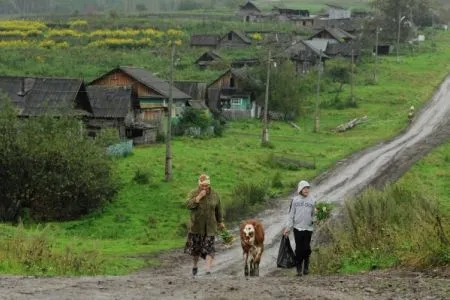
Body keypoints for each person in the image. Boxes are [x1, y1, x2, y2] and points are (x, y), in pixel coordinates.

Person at [185, 174, 224, 276]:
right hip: (196, 226)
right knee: (196, 250)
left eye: (206, 185)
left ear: (209, 184)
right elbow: (188, 205)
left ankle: (207, 269)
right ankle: (195, 265)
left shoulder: (215, 195)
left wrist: (220, 222)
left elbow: (218, 209)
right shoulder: (194, 193)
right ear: (199, 185)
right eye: (202, 186)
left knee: (209, 248)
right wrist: (199, 197)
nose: (204, 188)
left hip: (210, 227)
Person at [283, 180, 316, 276]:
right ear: (300, 189)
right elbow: (291, 215)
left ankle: (306, 267)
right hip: (297, 228)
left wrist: (317, 218)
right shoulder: (295, 200)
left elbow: (314, 214)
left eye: (308, 188)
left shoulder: (313, 200)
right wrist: (288, 228)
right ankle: (299, 269)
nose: (306, 190)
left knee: (306, 248)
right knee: (299, 249)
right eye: (304, 188)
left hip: (308, 228)